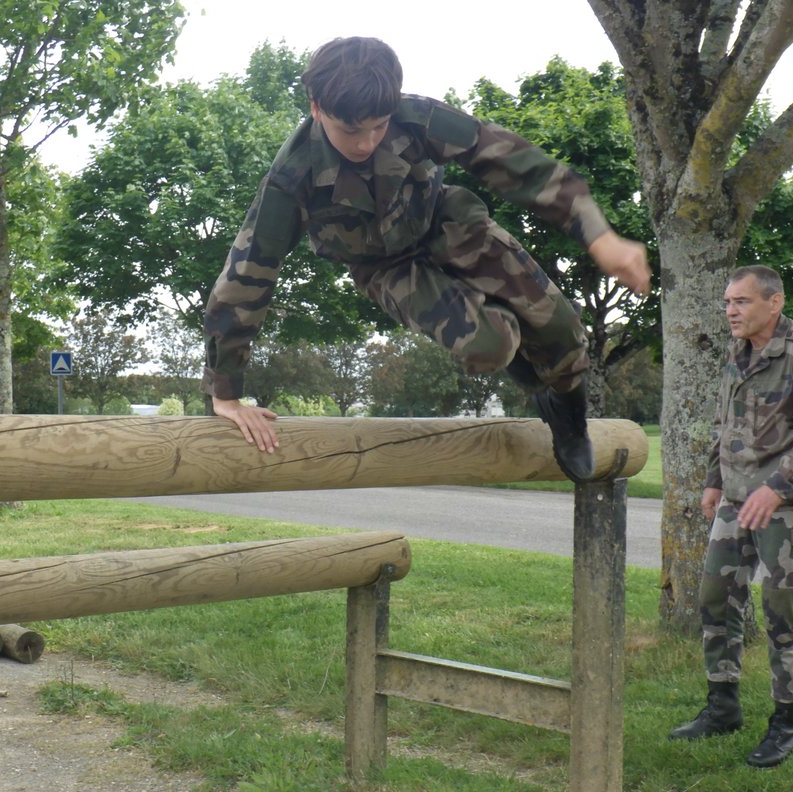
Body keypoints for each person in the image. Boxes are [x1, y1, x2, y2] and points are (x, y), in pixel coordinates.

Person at [201, 36, 651, 481]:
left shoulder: (418, 117)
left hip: (450, 224)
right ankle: (518, 353)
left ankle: (567, 417)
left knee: (563, 332)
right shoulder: (291, 177)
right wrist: (225, 392)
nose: (366, 143)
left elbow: (517, 164)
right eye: (351, 131)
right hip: (387, 267)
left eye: (378, 127)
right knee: (492, 345)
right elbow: (245, 279)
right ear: (317, 108)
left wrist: (598, 235)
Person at [668, 265, 793, 768]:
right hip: (737, 498)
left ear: (774, 303)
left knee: (780, 607)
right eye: (727, 303)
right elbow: (726, 423)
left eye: (740, 302)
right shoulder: (736, 352)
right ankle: (722, 707)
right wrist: (713, 479)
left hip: (788, 505)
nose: (730, 312)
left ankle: (787, 722)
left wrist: (775, 487)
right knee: (715, 597)